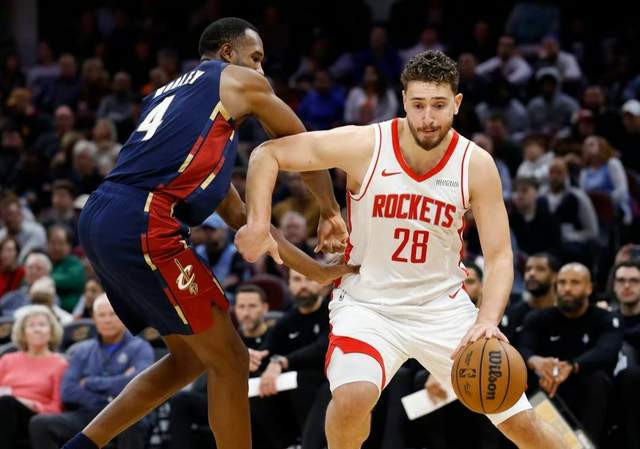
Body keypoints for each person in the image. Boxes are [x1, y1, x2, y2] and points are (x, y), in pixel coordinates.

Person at [236, 50, 562, 449]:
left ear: (457, 103)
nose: (428, 117)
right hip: (369, 306)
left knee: (523, 424)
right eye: (418, 104)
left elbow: (499, 257)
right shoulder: (366, 144)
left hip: (443, 308)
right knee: (353, 399)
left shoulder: (475, 164)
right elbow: (267, 154)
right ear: (404, 100)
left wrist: (488, 319)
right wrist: (258, 222)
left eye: (439, 105)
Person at [66, 17, 351, 449]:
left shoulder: (178, 102)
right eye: (256, 58)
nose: (261, 71)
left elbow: (241, 217)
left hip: (101, 215)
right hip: (144, 218)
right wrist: (329, 210)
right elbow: (303, 144)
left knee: (187, 361)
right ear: (227, 53)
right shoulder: (234, 79)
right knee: (232, 360)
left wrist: (316, 270)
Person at [29, 294, 154, 449]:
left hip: (126, 413)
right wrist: (108, 397)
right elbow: (68, 391)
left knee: (133, 423)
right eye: (102, 315)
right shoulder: (81, 350)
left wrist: (89, 382)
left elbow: (139, 385)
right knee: (41, 423)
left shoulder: (141, 348)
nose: (107, 320)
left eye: (113, 314)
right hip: (88, 414)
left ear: (122, 316)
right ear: (94, 318)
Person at [518, 263, 623, 444]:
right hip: (546, 385)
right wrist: (536, 361)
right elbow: (522, 347)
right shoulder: (537, 318)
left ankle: (585, 444)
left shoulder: (605, 318)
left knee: (597, 379)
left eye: (575, 282)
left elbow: (607, 351)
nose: (567, 288)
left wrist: (571, 366)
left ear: (589, 288)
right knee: (524, 378)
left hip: (586, 387)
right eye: (562, 282)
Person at [0, 304, 68, 449]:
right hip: (4, 410)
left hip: (34, 416)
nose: (37, 329)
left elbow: (57, 407)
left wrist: (32, 404)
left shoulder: (60, 364)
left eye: (42, 325)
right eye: (31, 325)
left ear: (51, 331)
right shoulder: (7, 359)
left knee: (6, 402)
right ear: (23, 333)